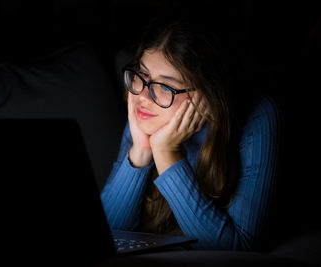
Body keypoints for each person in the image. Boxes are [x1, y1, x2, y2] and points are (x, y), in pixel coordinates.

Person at [101, 17, 281, 251]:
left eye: (165, 86)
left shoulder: (259, 116)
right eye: (142, 75)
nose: (143, 98)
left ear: (207, 95)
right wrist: (141, 150)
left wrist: (167, 153)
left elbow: (236, 252)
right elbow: (106, 236)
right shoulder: (145, 108)